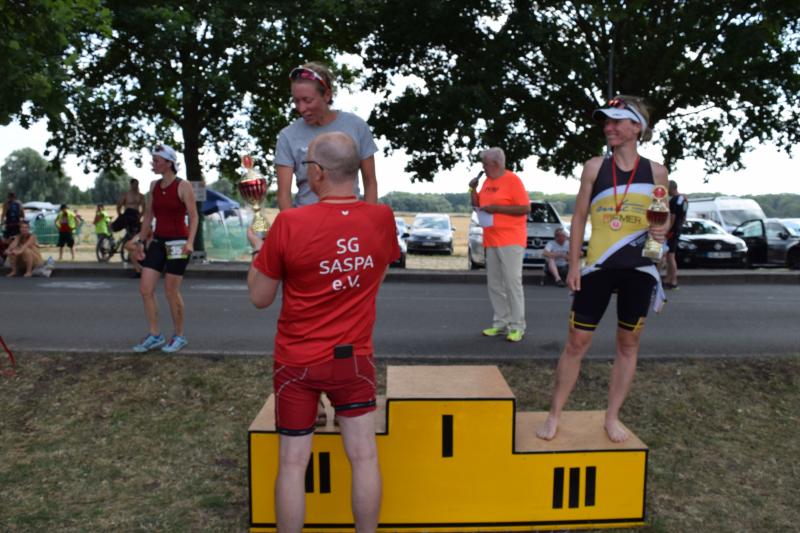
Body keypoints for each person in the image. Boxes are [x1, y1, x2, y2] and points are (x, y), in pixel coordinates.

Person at [248, 132, 399, 532]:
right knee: (364, 456)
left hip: (297, 361)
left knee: (292, 462)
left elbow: (260, 297)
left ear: (317, 173)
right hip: (354, 358)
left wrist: (258, 251)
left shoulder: (289, 223)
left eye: (306, 166)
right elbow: (376, 275)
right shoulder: (382, 218)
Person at [536, 95, 669, 443]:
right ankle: (554, 414)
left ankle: (612, 417)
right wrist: (574, 264)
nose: (608, 127)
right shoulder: (594, 167)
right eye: (606, 122)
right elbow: (579, 217)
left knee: (628, 343)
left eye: (616, 121)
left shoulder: (657, 172)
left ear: (637, 127)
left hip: (639, 269)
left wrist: (661, 230)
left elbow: (661, 217)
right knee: (577, 342)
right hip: (598, 266)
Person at [275, 61, 378, 211]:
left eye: (307, 100)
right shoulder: (287, 136)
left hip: (349, 218)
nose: (301, 108)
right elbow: (283, 195)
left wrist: (368, 219)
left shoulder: (356, 126)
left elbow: (370, 182)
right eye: (296, 101)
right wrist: (293, 224)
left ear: (327, 95)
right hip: (308, 221)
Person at [131, 144, 198, 354]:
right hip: (159, 241)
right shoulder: (153, 186)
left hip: (178, 243)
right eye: (153, 160)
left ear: (169, 163)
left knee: (171, 291)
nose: (153, 164)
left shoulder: (183, 186)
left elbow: (194, 216)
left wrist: (190, 242)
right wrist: (141, 240)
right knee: (145, 288)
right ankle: (155, 334)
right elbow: (149, 216)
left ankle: (179, 336)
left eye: (157, 161)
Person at [469, 147, 530, 342]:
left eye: (485, 164)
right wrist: (472, 189)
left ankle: (517, 326)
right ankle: (501, 323)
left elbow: (525, 208)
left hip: (511, 239)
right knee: (494, 284)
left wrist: (497, 208)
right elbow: (477, 206)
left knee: (512, 282)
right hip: (491, 238)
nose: (483, 167)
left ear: (496, 163)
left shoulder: (512, 180)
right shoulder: (487, 182)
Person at [664, 180, 688, 289]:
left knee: (670, 256)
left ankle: (673, 281)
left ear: (671, 188)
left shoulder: (673, 200)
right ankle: (669, 279)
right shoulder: (684, 199)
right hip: (678, 229)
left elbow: (672, 217)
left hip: (672, 231)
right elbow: (684, 216)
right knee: (670, 256)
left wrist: (667, 230)